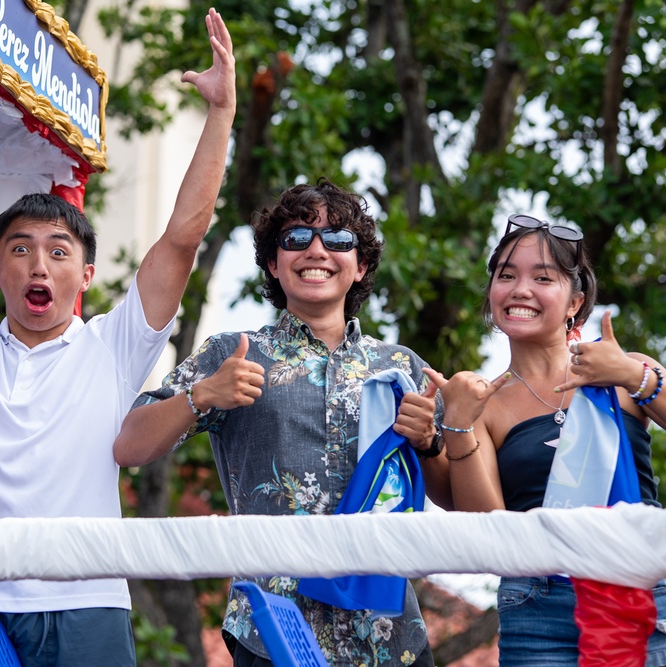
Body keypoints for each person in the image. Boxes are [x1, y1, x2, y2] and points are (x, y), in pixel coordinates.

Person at [0, 8, 236, 666]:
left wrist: (221, 115)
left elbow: (182, 237)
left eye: (58, 251)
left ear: (85, 273)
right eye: (21, 249)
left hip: (86, 599)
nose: (39, 264)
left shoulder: (112, 346)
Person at [114, 179, 450, 667]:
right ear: (273, 262)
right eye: (296, 239)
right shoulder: (232, 353)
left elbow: (451, 498)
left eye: (337, 240)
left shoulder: (403, 368)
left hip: (388, 634)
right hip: (272, 629)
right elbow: (129, 446)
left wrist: (431, 441)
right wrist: (201, 394)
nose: (317, 250)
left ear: (361, 267)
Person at [426, 214, 666, 667]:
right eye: (506, 276)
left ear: (576, 301)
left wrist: (633, 376)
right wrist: (458, 424)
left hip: (641, 585)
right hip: (537, 606)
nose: (520, 289)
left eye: (542, 278)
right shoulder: (482, 403)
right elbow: (487, 529)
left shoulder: (628, 372)